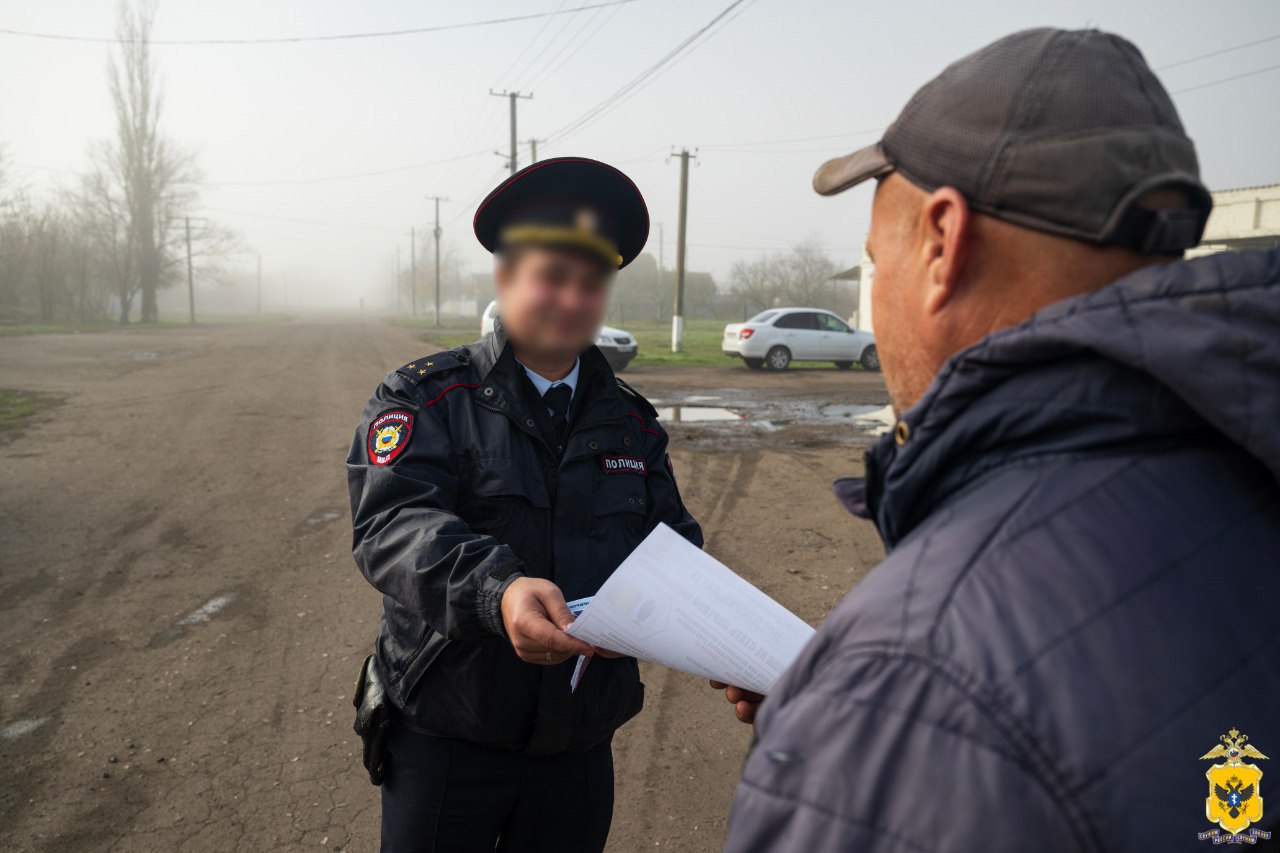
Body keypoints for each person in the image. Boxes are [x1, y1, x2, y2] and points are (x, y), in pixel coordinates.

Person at [718, 28, 1280, 851]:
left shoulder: (915, 677)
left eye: (878, 259)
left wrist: (855, 736)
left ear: (942, 243)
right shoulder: (1244, 459)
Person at [347, 156, 703, 852]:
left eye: (591, 283)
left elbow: (674, 548)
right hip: (447, 739)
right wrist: (499, 590)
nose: (572, 299)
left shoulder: (630, 421)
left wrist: (729, 642)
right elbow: (393, 524)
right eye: (552, 276)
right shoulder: (425, 397)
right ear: (506, 279)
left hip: (577, 747)